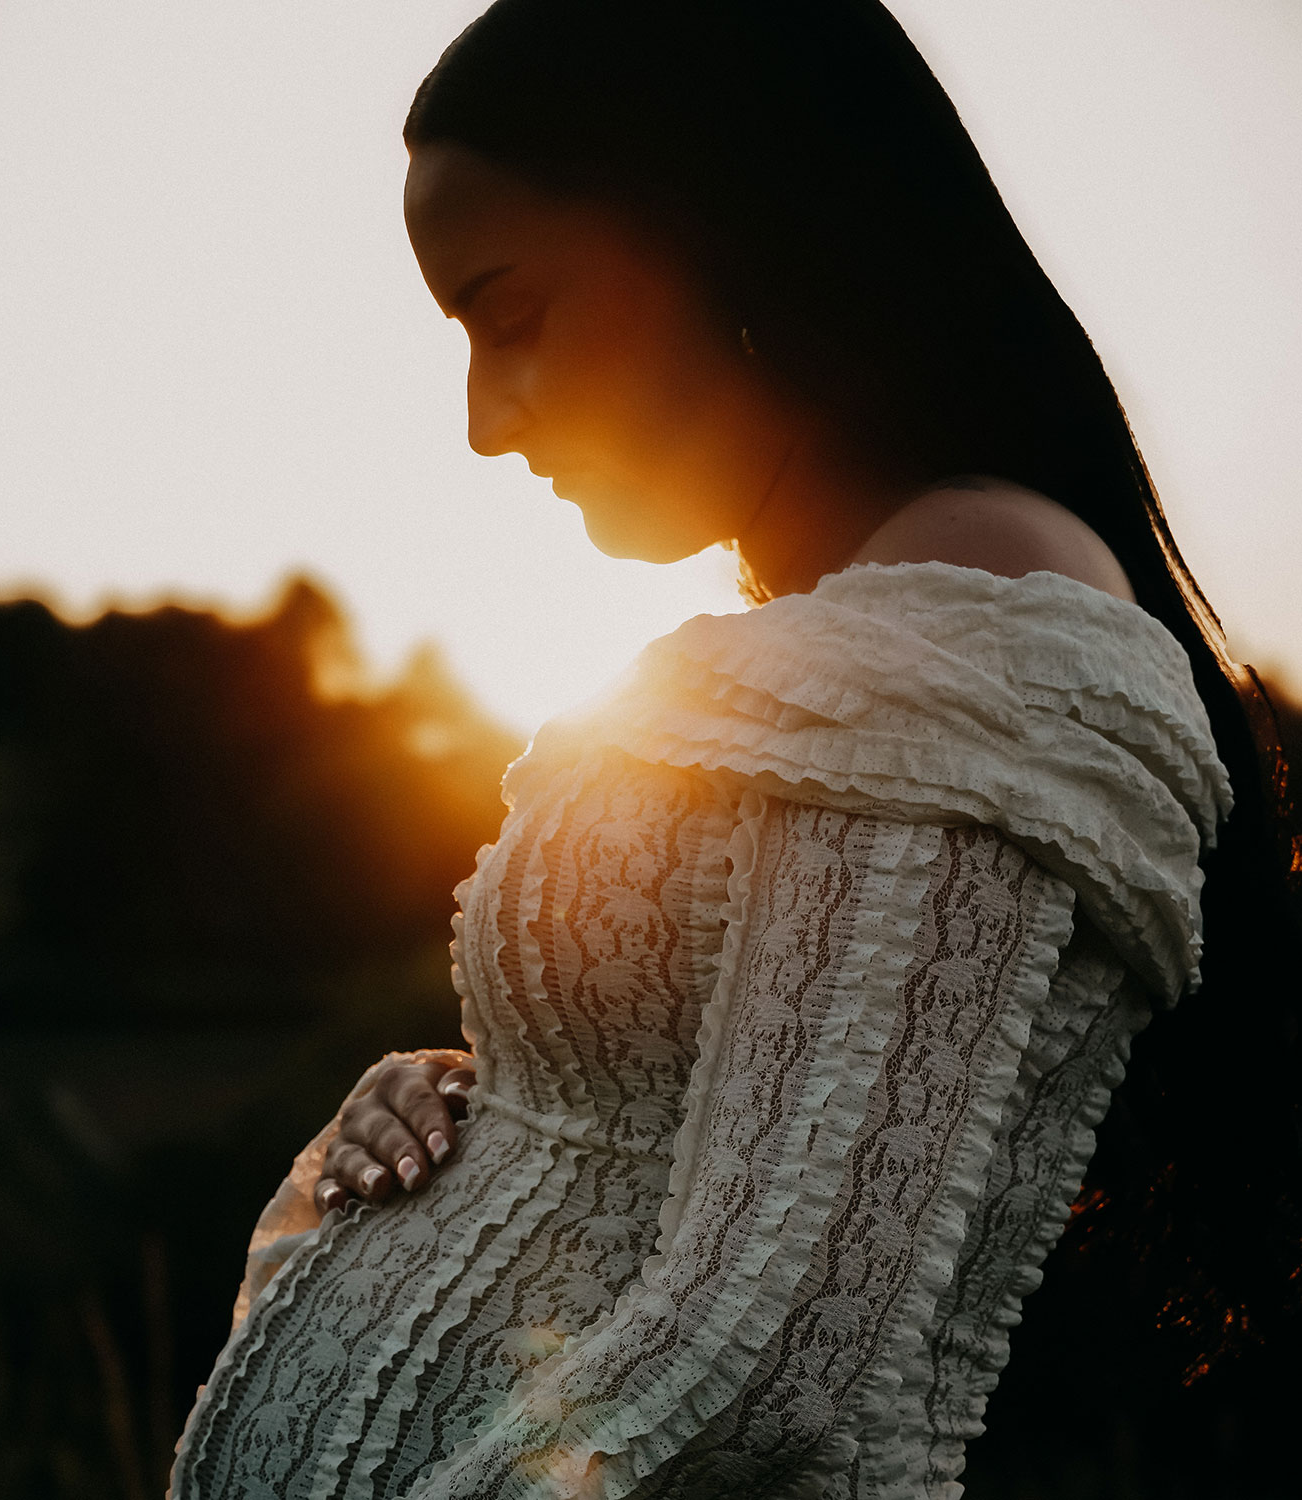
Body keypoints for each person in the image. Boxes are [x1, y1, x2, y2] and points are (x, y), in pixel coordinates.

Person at [169, 2, 1301, 1495]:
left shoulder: (982, 609)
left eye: (512, 317)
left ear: (742, 235)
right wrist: (476, 1105)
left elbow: (783, 1365)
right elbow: (712, 1126)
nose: (482, 424)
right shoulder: (862, 637)